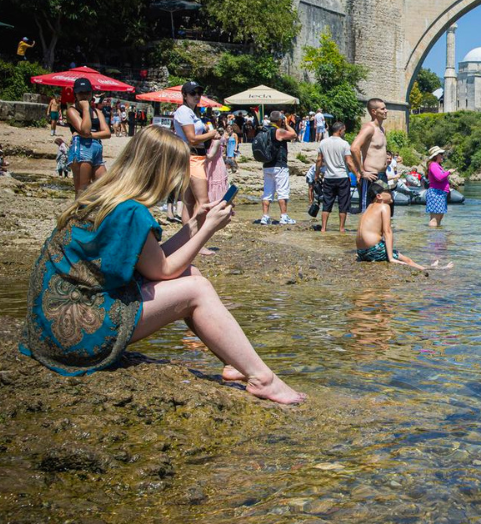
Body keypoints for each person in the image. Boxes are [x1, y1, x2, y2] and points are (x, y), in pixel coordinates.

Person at [20, 126, 305, 404]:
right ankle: (263, 379)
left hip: (49, 326)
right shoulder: (130, 211)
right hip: (75, 334)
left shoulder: (104, 197)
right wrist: (209, 231)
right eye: (177, 170)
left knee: (191, 274)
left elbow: (151, 263)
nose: (180, 179)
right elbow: (163, 271)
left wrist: (194, 226)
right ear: (160, 171)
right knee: (197, 289)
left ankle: (236, 363)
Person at [356, 182, 450, 270]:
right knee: (407, 260)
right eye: (388, 191)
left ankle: (427, 266)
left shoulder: (368, 207)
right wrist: (391, 257)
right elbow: (387, 232)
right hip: (374, 249)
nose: (391, 193)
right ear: (379, 196)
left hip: (361, 252)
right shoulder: (384, 206)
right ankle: (429, 269)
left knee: (403, 257)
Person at [171, 81, 217, 224]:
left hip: (194, 158)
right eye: (193, 93)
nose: (197, 96)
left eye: (199, 93)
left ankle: (188, 240)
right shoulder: (184, 111)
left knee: (189, 202)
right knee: (203, 202)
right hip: (193, 158)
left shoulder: (191, 112)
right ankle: (198, 241)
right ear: (184, 95)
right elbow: (192, 139)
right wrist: (211, 134)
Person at [64, 78, 110, 198]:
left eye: (87, 93)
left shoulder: (96, 111)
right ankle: (75, 215)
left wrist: (90, 135)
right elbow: (84, 129)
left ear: (91, 94)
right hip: (81, 149)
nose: (84, 96)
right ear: (76, 94)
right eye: (81, 93)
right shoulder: (71, 111)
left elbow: (107, 133)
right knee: (82, 190)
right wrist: (85, 109)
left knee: (105, 187)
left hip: (96, 150)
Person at [350, 98, 389, 212]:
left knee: (384, 208)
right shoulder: (369, 128)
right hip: (371, 176)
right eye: (383, 109)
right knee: (367, 211)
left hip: (382, 176)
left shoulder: (382, 129)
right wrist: (362, 172)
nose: (386, 111)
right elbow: (354, 148)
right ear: (373, 111)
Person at [316, 121, 355, 233]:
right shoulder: (344, 144)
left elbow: (319, 160)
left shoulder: (323, 143)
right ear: (340, 130)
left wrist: (316, 174)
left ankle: (323, 228)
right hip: (342, 176)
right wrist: (357, 174)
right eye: (344, 130)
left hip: (328, 177)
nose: (344, 132)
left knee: (327, 202)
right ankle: (341, 228)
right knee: (343, 203)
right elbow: (349, 162)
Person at [260, 110, 297, 225]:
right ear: (280, 119)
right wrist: (286, 124)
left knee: (267, 192)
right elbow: (294, 135)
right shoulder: (279, 131)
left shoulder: (264, 130)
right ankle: (284, 216)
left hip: (267, 165)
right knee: (282, 192)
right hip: (279, 165)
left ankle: (265, 217)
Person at [424, 146, 454, 228]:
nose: (442, 156)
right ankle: (433, 237)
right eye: (441, 154)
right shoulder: (433, 165)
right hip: (436, 193)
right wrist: (448, 172)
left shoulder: (437, 165)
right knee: (435, 219)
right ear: (436, 155)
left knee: (439, 218)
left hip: (440, 194)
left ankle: (438, 238)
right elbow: (439, 177)